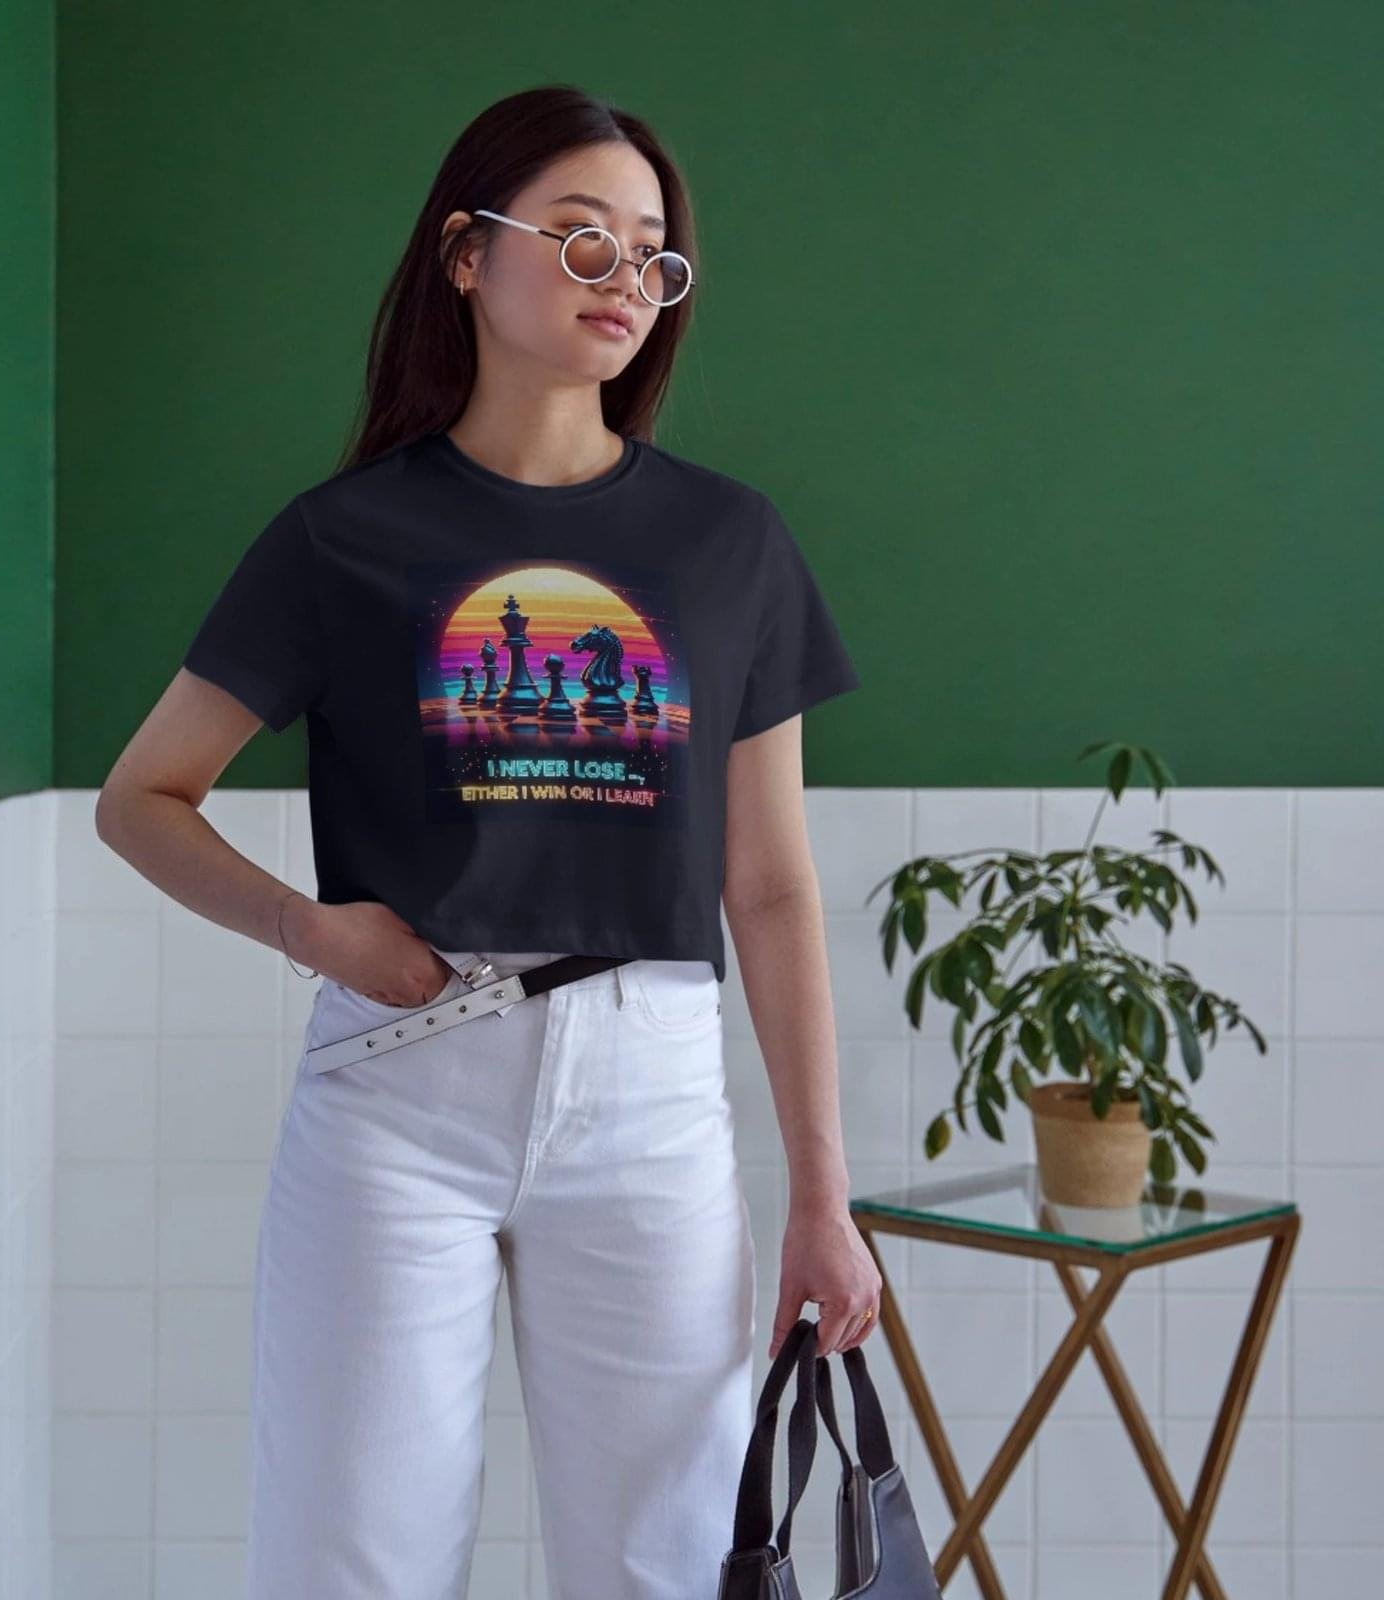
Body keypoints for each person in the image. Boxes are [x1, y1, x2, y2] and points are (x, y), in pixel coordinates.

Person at [95, 81, 883, 1600]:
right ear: (467, 254)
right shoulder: (342, 538)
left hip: (651, 1092)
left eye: (653, 258)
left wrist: (819, 1192)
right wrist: (307, 929)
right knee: (355, 1561)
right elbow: (143, 798)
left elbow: (772, 889)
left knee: (666, 1563)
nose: (627, 287)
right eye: (582, 244)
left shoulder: (730, 544)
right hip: (398, 1093)